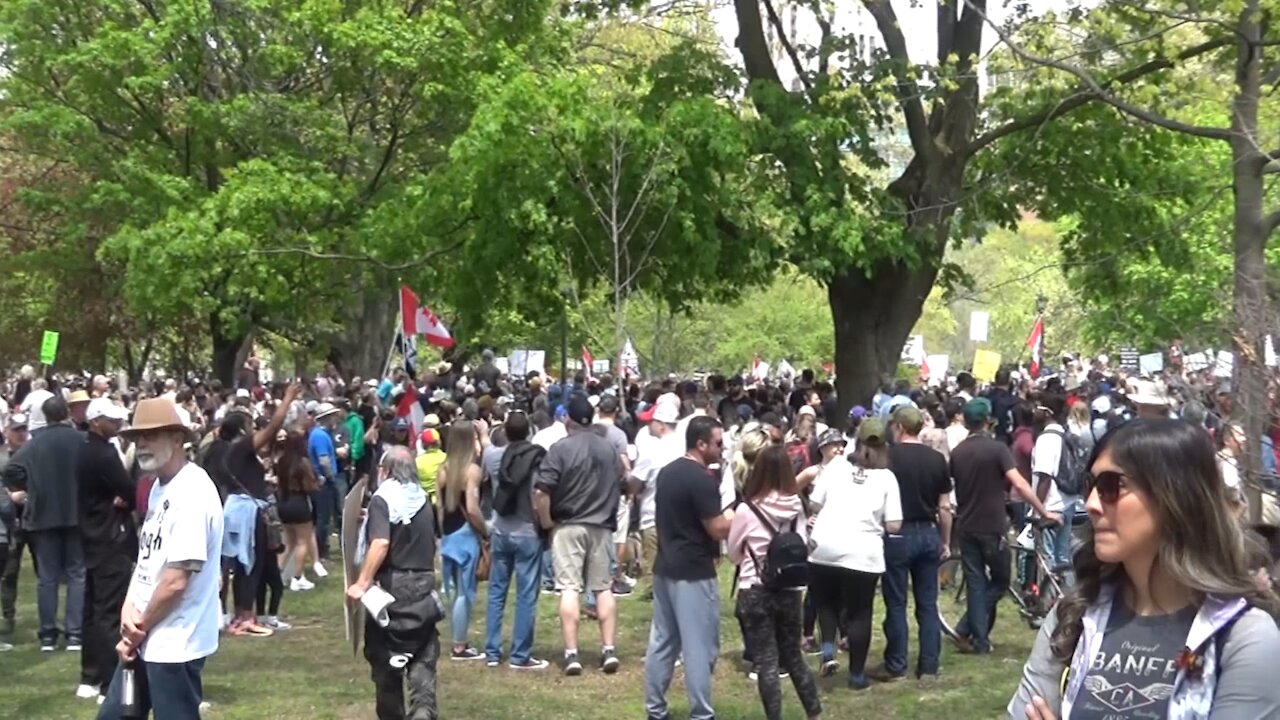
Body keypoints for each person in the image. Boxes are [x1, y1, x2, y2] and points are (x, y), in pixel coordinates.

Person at [1008, 419, 1280, 720]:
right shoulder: (1073, 616)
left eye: (1112, 486)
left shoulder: (1242, 637)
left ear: (1176, 497)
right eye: (1091, 486)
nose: (1092, 503)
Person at [96, 398, 225, 720]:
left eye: (151, 435)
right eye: (137, 437)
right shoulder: (158, 487)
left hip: (175, 641)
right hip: (145, 634)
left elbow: (176, 579)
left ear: (178, 439)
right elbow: (147, 561)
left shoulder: (192, 493)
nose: (141, 443)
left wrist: (138, 628)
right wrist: (128, 611)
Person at [950, 398, 1059, 655]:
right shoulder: (997, 449)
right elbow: (1019, 484)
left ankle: (976, 637)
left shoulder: (958, 453)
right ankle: (969, 629)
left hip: (966, 525)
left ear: (966, 422)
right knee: (1000, 581)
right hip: (992, 525)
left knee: (976, 582)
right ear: (988, 420)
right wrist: (1044, 511)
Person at [643, 415, 732, 720]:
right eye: (718, 443)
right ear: (701, 443)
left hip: (665, 566)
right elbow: (717, 529)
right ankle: (701, 713)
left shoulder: (667, 473)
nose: (722, 448)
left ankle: (655, 709)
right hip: (693, 571)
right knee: (699, 646)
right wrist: (737, 513)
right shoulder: (701, 479)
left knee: (663, 641)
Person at [346, 446, 442, 720]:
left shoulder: (383, 499)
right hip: (423, 584)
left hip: (393, 587)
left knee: (385, 657)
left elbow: (381, 542)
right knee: (421, 653)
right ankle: (423, 710)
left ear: (385, 471)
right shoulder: (422, 498)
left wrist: (362, 582)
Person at [728, 444, 822, 720]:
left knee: (767, 661)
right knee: (793, 657)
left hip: (755, 588)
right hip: (789, 590)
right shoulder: (797, 507)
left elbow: (733, 553)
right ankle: (813, 713)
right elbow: (804, 546)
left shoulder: (747, 509)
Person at [806, 418, 902, 690]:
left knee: (826, 602)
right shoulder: (886, 478)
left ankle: (827, 648)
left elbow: (814, 504)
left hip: (825, 545)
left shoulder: (835, 466)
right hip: (863, 552)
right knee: (860, 612)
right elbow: (895, 524)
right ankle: (857, 675)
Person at [534, 394, 624, 676]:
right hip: (601, 525)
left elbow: (541, 491)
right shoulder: (609, 449)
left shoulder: (560, 449)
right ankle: (608, 649)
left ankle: (572, 654)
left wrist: (547, 522)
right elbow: (622, 481)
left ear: (567, 419)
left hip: (568, 524)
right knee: (603, 588)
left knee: (569, 588)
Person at [3, 395, 86, 652]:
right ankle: (75, 633)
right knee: (76, 575)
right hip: (75, 513)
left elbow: (11, 469)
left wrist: (30, 487)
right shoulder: (81, 440)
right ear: (65, 414)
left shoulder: (35, 444)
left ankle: (48, 634)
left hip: (43, 514)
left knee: (47, 577)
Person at [882, 406, 951, 681]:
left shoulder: (887, 457)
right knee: (927, 603)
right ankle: (929, 665)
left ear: (898, 427)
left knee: (896, 603)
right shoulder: (937, 459)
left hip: (897, 532)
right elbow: (944, 507)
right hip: (927, 530)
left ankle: (897, 664)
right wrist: (945, 540)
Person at [76, 398, 137, 701]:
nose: (117, 425)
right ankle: (108, 681)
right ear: (97, 421)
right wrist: (122, 498)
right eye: (112, 420)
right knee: (109, 611)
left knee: (91, 609)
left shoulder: (83, 449)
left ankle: (89, 676)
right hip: (110, 538)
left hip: (89, 536)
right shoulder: (105, 454)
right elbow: (128, 489)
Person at [485, 411, 548, 670]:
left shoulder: (493, 457)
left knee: (496, 592)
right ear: (529, 432)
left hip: (500, 528)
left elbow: (485, 446)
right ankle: (520, 654)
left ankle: (491, 651)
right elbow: (538, 493)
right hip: (527, 531)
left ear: (506, 433)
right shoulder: (538, 458)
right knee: (525, 595)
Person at [437, 419, 488, 661]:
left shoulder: (443, 469)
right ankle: (459, 644)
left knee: (456, 590)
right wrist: (485, 531)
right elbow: (473, 507)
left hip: (448, 533)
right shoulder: (472, 471)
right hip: (467, 534)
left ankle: (459, 640)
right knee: (465, 592)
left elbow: (439, 507)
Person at [276, 431, 320, 591]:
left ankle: (277, 574)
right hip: (299, 503)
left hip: (283, 503)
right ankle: (297, 577)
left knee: (288, 543)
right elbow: (310, 485)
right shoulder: (303, 463)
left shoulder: (281, 461)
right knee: (303, 542)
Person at [1, 412, 31, 640]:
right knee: (9, 572)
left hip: (31, 519)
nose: (21, 433)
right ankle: (8, 615)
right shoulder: (3, 458)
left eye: (23, 429)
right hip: (9, 524)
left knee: (46, 572)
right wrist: (10, 497)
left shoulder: (31, 455)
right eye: (17, 429)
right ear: (7, 431)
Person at [308, 402, 343, 570]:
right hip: (324, 482)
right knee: (323, 519)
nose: (335, 419)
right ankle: (322, 553)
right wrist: (330, 477)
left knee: (323, 518)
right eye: (333, 415)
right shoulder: (321, 436)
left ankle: (321, 551)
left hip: (320, 481)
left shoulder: (318, 434)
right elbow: (324, 460)